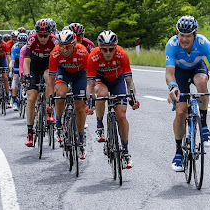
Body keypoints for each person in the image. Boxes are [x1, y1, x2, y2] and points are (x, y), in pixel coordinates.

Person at [165, 15, 210, 172]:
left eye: (188, 36)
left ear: (194, 35)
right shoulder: (172, 45)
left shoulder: (203, 43)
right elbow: (169, 73)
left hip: (198, 68)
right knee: (181, 111)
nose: (184, 39)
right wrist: (172, 87)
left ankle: (203, 125)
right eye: (181, 35)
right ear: (177, 34)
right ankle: (178, 151)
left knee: (201, 82)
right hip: (179, 74)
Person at [86, 30, 139, 169]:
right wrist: (89, 103)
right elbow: (90, 85)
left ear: (116, 47)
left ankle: (126, 151)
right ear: (99, 48)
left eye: (111, 49)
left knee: (121, 115)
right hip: (100, 80)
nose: (108, 52)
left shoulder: (122, 54)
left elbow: (129, 81)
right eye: (104, 49)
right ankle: (99, 125)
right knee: (102, 93)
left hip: (117, 81)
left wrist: (133, 98)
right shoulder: (94, 56)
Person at [49, 28, 90, 159]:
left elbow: (90, 76)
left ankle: (81, 136)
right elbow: (50, 79)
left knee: (80, 106)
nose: (64, 50)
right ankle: (59, 124)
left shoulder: (82, 51)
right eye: (61, 46)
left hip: (79, 74)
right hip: (64, 73)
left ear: (73, 44)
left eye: (67, 47)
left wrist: (90, 97)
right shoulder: (55, 53)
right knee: (60, 93)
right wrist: (50, 95)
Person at [22, 18, 59, 147]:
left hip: (47, 65)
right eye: (40, 35)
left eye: (45, 36)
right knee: (31, 98)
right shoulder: (32, 39)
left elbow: (58, 60)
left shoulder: (54, 40)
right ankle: (30, 132)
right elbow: (26, 61)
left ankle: (49, 110)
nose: (43, 38)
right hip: (33, 67)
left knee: (49, 77)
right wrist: (26, 76)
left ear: (50, 34)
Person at [10, 32, 27, 111]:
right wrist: (11, 71)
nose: (22, 44)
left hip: (25, 62)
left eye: (24, 43)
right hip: (17, 62)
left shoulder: (28, 48)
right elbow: (12, 61)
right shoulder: (15, 47)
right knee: (15, 78)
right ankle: (14, 101)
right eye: (21, 43)